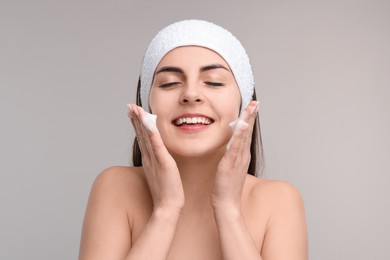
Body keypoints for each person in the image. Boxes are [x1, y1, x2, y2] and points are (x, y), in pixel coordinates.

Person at [79, 20, 307, 260]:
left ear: (244, 103)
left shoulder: (279, 201)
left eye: (214, 82)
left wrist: (229, 212)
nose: (190, 94)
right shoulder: (115, 187)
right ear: (148, 105)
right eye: (169, 83)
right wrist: (165, 211)